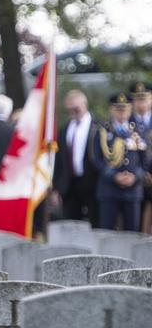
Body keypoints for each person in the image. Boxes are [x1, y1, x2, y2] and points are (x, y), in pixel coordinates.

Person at [89, 91, 147, 232]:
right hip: (109, 189)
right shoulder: (102, 130)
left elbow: (145, 160)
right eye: (118, 108)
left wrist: (136, 176)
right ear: (112, 109)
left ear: (130, 109)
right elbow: (96, 159)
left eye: (125, 108)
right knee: (106, 232)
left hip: (133, 191)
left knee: (132, 233)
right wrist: (114, 176)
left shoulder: (139, 130)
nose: (122, 112)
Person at [52, 89, 101, 226]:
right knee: (70, 223)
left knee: (95, 223)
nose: (73, 112)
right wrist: (56, 188)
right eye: (69, 110)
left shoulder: (98, 127)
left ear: (85, 104)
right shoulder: (65, 129)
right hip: (70, 184)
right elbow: (59, 161)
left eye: (76, 109)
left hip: (92, 183)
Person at [130, 81, 152, 232]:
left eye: (144, 98)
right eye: (137, 99)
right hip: (134, 180)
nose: (141, 103)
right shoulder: (125, 122)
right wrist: (140, 173)